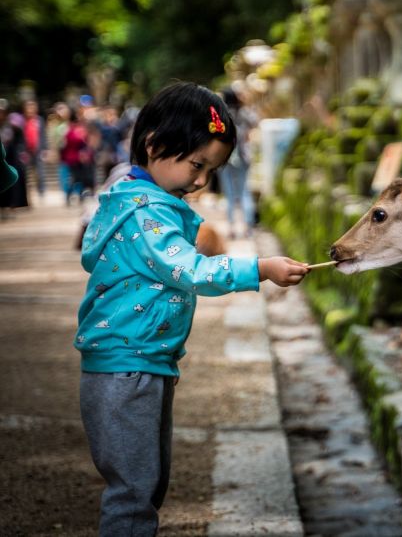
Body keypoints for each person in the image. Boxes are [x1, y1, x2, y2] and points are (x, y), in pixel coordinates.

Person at [74, 81, 310, 535]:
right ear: (154, 145)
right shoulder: (146, 214)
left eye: (211, 170)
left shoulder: (142, 202)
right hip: (128, 368)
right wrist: (258, 268)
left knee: (145, 484)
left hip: (143, 361)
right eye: (196, 165)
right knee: (134, 492)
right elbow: (192, 270)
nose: (201, 181)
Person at [219, 86, 258, 238]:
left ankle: (232, 229)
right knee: (244, 192)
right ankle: (248, 227)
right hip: (243, 156)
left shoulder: (223, 114)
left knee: (229, 194)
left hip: (225, 158)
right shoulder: (243, 112)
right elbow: (255, 121)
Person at [0, 99, 30, 218]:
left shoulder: (13, 128)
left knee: (12, 185)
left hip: (11, 160)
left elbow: (20, 143)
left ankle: (11, 207)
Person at [20, 100, 46, 201]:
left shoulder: (39, 120)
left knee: (40, 172)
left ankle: (41, 191)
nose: (30, 110)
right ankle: (26, 193)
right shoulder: (22, 121)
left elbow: (43, 135)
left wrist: (44, 149)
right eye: (28, 107)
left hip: (38, 150)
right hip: (26, 151)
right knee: (25, 173)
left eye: (32, 107)